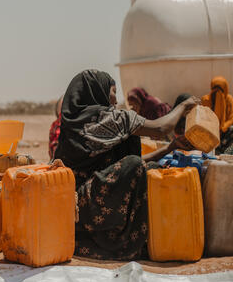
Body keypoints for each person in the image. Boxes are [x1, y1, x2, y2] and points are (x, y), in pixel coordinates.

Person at [53, 70, 197, 261]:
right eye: (113, 91)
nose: (115, 98)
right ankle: (123, 242)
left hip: (81, 204)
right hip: (81, 208)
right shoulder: (109, 119)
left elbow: (124, 170)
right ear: (99, 92)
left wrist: (169, 149)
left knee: (151, 168)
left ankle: (144, 238)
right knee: (137, 165)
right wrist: (183, 106)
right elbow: (161, 129)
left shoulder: (74, 124)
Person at [201, 76, 233, 154]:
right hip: (210, 130)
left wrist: (223, 127)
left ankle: (226, 153)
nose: (217, 91)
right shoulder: (206, 100)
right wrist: (213, 127)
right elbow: (203, 117)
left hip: (225, 131)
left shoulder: (229, 99)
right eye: (215, 88)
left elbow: (232, 117)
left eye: (220, 88)